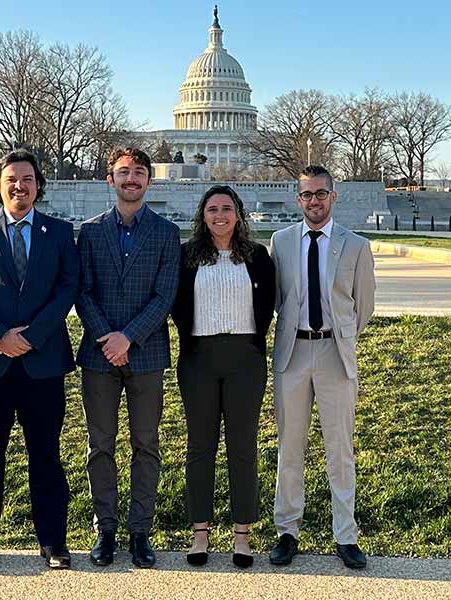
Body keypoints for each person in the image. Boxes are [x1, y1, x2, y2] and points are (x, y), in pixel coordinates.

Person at [0, 149, 79, 572]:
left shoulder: (59, 233)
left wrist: (32, 337)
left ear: (38, 185)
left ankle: (53, 544)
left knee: (45, 456)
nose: (19, 187)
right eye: (11, 180)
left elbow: (67, 288)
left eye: (27, 179)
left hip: (42, 363)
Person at [75, 147, 180, 569]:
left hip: (146, 353)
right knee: (99, 445)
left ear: (149, 181)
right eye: (123, 172)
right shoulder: (90, 230)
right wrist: (107, 337)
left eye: (139, 172)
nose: (131, 179)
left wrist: (129, 338)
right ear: (110, 179)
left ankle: (140, 531)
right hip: (100, 355)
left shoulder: (167, 233)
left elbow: (165, 295)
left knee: (146, 444)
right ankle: (105, 527)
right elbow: (81, 291)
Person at [267, 165, 375, 570]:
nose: (314, 201)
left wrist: (339, 335)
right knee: (290, 447)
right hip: (293, 354)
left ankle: (345, 535)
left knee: (339, 450)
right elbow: (279, 299)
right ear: (299, 200)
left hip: (335, 353)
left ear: (333, 196)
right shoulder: (280, 242)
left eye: (321, 194)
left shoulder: (355, 246)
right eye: (307, 195)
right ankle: (287, 531)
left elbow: (363, 306)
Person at [171, 185, 275, 569]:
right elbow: (176, 307)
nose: (219, 215)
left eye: (226, 208)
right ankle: (200, 533)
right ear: (202, 215)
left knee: (242, 447)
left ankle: (242, 536)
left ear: (238, 214)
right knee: (200, 447)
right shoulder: (186, 257)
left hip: (245, 359)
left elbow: (267, 307)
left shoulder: (258, 257)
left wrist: (250, 345)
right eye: (212, 209)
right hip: (198, 358)